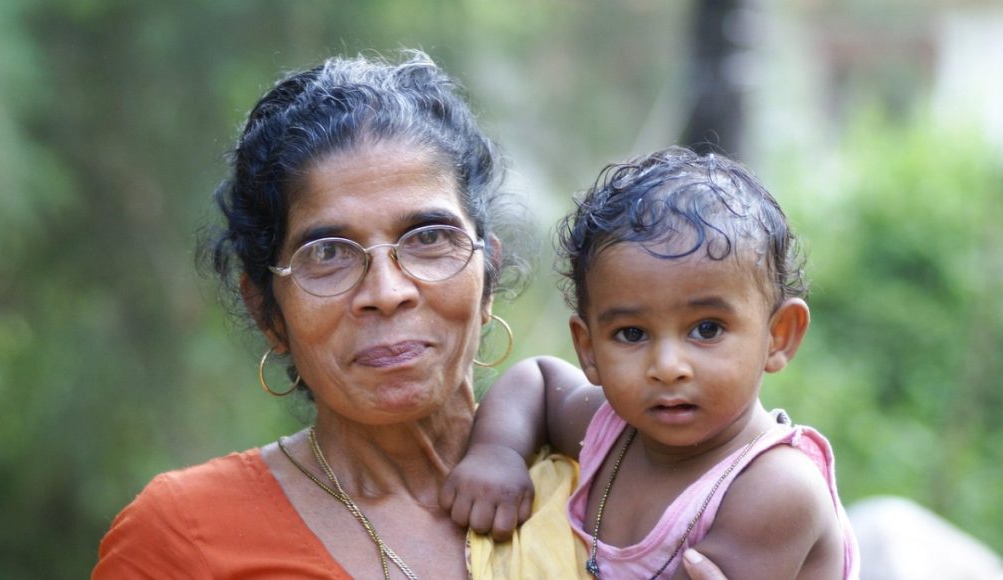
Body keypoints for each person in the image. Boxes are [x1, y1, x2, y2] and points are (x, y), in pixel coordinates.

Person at [92, 49, 739, 579]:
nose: (388, 289)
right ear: (267, 308)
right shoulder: (184, 537)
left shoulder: (617, 476)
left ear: (486, 275)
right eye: (327, 253)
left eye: (428, 238)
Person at [441, 147, 860, 578]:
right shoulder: (613, 433)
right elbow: (540, 380)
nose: (668, 366)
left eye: (707, 329)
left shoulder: (774, 488)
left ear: (779, 335)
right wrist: (497, 453)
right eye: (632, 334)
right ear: (588, 349)